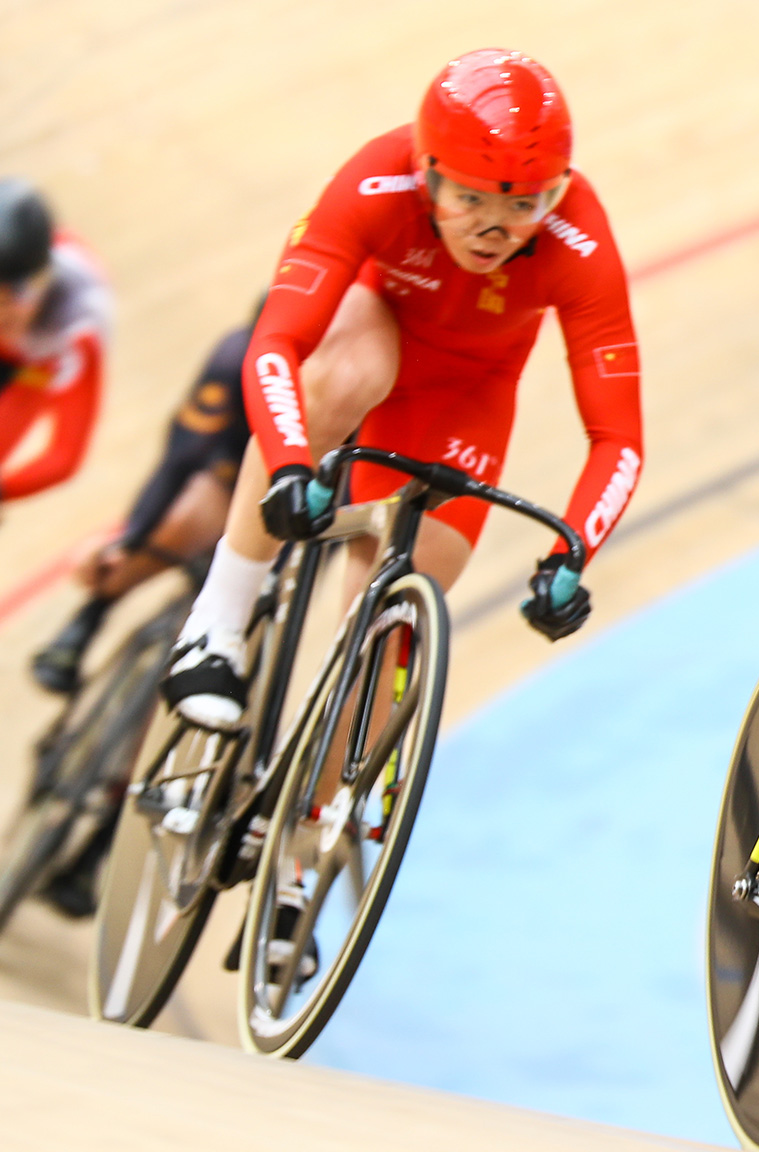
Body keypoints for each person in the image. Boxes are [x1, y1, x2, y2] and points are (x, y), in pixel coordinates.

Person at [160, 48, 643, 728]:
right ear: (427, 177)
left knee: (383, 638)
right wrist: (292, 464)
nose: (493, 230)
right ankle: (218, 620)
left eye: (521, 206)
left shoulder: (578, 240)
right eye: (470, 198)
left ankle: (315, 822)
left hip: (467, 389)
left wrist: (572, 554)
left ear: (554, 195)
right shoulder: (376, 182)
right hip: (371, 321)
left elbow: (618, 441)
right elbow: (275, 345)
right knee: (351, 373)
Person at [31, 308, 257, 695]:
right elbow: (180, 459)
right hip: (233, 470)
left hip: (313, 487)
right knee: (187, 518)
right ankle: (92, 614)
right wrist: (133, 536)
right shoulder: (234, 357)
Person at [0, 177, 111, 505]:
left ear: (41, 283)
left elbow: (64, 456)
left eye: (8, 305)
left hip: (33, 365)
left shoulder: (77, 332)